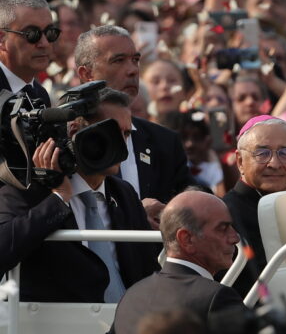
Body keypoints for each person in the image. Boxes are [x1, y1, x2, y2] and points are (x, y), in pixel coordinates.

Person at [0, 88, 159, 303]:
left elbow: (147, 269)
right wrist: (58, 198)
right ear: (74, 130)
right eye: (113, 133)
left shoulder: (124, 194)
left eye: (127, 134)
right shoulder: (28, 191)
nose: (123, 146)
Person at [74, 25, 195, 205]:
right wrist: (137, 214)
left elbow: (189, 193)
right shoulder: (62, 138)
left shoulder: (165, 142)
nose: (133, 70)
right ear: (87, 74)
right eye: (118, 60)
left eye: (135, 60)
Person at [110, 191, 248, 334]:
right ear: (186, 239)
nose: (234, 238)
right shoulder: (217, 298)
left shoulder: (132, 295)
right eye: (222, 229)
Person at [222, 115, 286, 297]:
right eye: (262, 153)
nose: (274, 164)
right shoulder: (227, 214)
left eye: (285, 153)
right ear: (240, 161)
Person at [0, 0, 55, 107]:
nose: (44, 43)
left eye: (50, 32)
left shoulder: (41, 95)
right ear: (2, 39)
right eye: (31, 34)